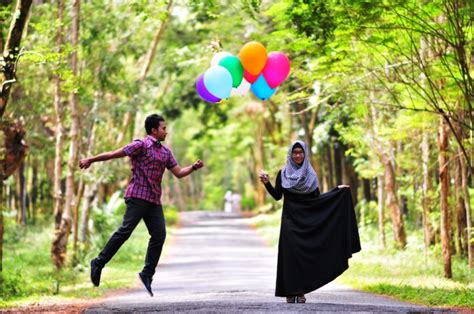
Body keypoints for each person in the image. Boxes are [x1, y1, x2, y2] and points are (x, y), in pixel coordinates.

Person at [79, 113, 204, 297]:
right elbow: (115, 153)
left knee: (159, 235)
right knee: (125, 231)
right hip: (137, 195)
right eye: (163, 128)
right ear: (153, 130)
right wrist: (91, 159)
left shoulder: (166, 152)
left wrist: (193, 167)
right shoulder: (141, 145)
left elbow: (178, 172)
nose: (166, 131)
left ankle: (147, 273)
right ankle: (98, 262)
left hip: (153, 200)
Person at [259, 140, 360, 304]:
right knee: (290, 257)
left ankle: (301, 290)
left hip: (307, 222)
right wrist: (266, 184)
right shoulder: (283, 173)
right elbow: (278, 196)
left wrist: (336, 192)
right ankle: (290, 292)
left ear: (305, 154)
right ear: (290, 155)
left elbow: (317, 200)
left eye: (301, 152)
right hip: (290, 222)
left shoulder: (311, 175)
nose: (298, 155)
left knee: (304, 257)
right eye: (295, 152)